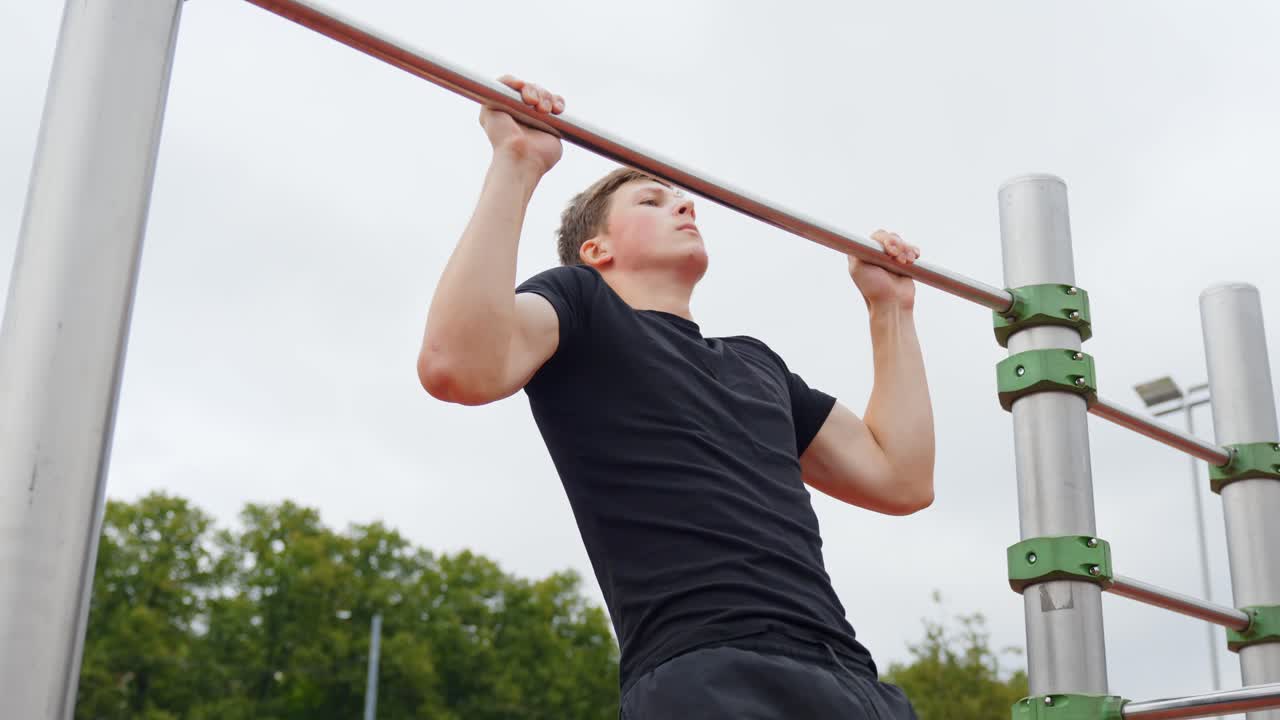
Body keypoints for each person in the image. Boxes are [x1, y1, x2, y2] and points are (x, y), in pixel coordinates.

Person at [417, 75, 933, 719]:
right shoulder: (581, 306)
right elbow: (455, 365)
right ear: (594, 249)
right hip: (711, 672)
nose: (684, 208)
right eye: (652, 201)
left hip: (847, 678)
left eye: (682, 200)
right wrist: (517, 163)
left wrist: (891, 310)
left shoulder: (755, 363)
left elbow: (901, 478)